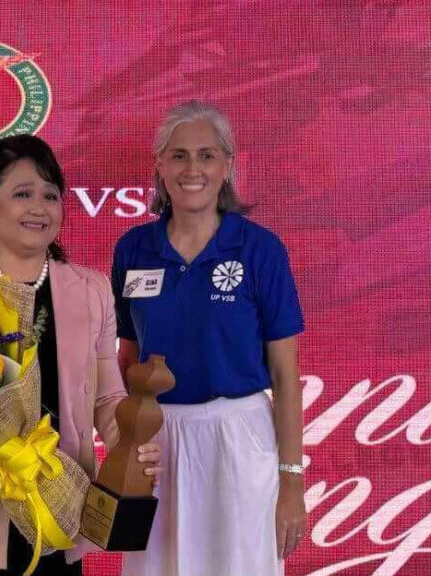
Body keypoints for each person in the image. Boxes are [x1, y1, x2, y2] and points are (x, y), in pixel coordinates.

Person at [0, 134, 162, 576]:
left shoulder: (93, 289)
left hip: (62, 503)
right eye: (22, 193)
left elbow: (107, 400)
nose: (39, 207)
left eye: (50, 195)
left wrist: (132, 447)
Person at [113, 101, 307, 576]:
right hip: (156, 443)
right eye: (178, 156)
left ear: (227, 166)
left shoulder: (261, 249)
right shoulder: (133, 248)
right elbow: (126, 358)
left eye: (206, 155)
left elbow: (285, 376)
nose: (192, 168)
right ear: (159, 166)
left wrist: (292, 482)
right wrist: (126, 445)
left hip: (238, 436)